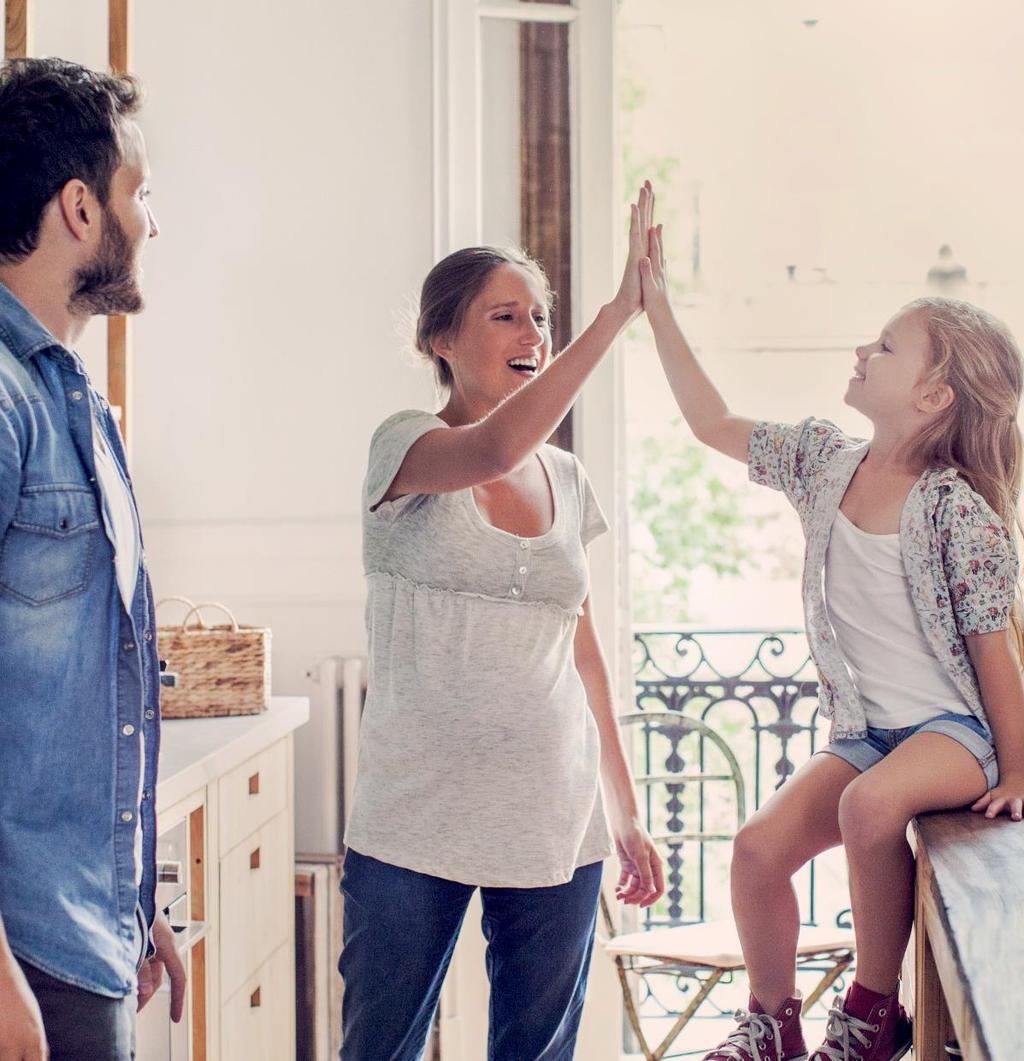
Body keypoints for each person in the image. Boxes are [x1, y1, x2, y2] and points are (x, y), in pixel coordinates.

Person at [639, 207, 1024, 1061]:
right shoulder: (821, 459)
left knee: (870, 803)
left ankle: (869, 1016)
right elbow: (710, 422)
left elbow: (998, 651)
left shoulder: (958, 512)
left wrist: (1021, 765)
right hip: (865, 731)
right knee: (754, 848)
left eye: (886, 346)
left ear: (933, 395)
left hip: (953, 733)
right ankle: (771, 1022)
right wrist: (656, 307)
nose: (862, 350)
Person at [340, 185, 665, 1060]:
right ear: (441, 340)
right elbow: (492, 448)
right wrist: (615, 315)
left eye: (541, 317)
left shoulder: (568, 476)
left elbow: (585, 655)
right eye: (505, 317)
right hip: (416, 814)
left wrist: (623, 810)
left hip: (553, 809)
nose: (532, 334)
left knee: (538, 1051)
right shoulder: (403, 444)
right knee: (382, 1047)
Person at [0, 57, 185, 1061]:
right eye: (138, 193)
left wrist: (132, 891)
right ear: (79, 208)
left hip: (82, 927)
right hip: (20, 949)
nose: (152, 220)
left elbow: (81, 690)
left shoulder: (81, 404)